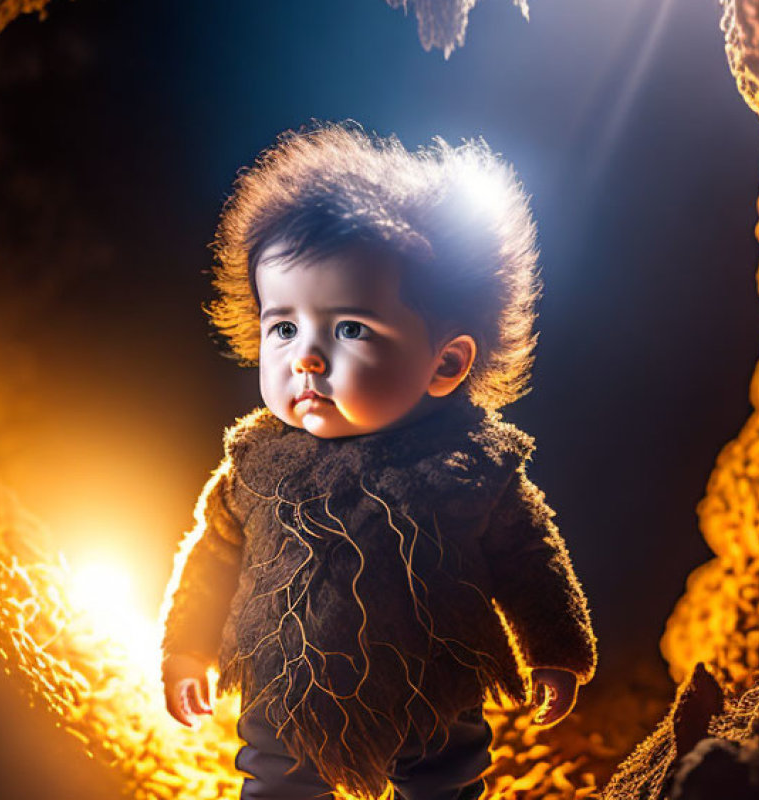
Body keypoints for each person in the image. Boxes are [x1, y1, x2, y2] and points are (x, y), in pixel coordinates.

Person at [158, 122, 596, 800]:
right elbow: (216, 553)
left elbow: (530, 556)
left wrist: (557, 651)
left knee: (443, 779)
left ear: (446, 363)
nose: (304, 356)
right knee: (278, 782)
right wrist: (187, 647)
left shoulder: (469, 467)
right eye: (282, 326)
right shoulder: (257, 464)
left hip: (431, 680)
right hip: (290, 679)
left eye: (351, 329)